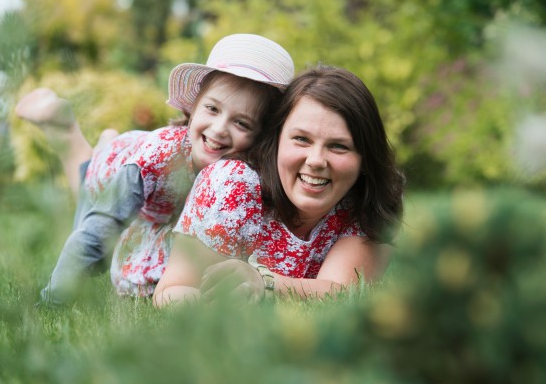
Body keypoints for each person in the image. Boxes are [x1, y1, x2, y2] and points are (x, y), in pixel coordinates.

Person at [15, 34, 295, 305]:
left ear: (261, 135)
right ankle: (72, 136)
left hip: (160, 205)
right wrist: (53, 299)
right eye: (212, 109)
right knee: (94, 216)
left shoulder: (243, 173)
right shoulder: (159, 156)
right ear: (194, 107)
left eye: (242, 123)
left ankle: (99, 143)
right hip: (118, 171)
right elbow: (97, 229)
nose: (219, 129)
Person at [153, 65, 404, 306]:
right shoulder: (232, 185)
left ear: (364, 159)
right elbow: (172, 290)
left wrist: (264, 283)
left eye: (339, 146)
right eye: (301, 139)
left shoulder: (371, 199)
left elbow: (340, 290)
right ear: (276, 139)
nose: (316, 161)